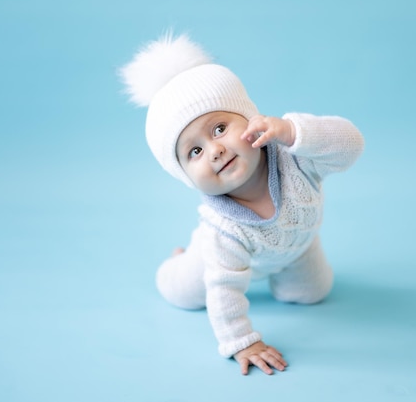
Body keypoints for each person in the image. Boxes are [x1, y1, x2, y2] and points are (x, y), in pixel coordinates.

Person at [120, 32, 364, 375]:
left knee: (314, 292)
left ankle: (288, 271)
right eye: (195, 152)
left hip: (299, 247)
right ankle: (180, 261)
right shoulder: (223, 230)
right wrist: (243, 341)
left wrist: (294, 131)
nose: (215, 150)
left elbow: (351, 144)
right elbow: (224, 292)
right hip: (220, 260)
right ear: (187, 177)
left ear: (251, 117)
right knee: (184, 292)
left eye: (219, 128)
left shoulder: (296, 157)